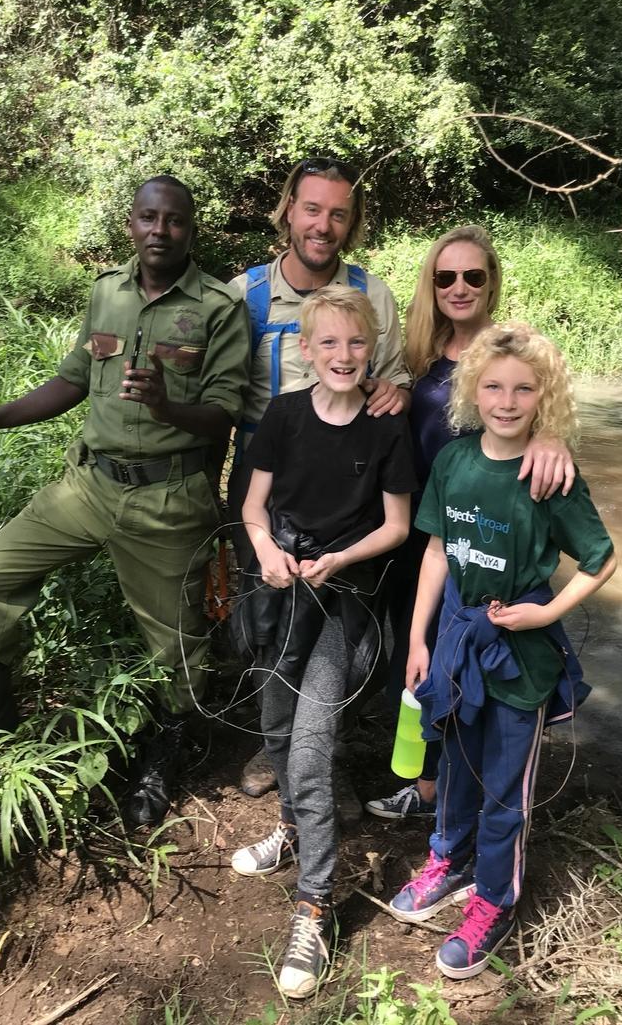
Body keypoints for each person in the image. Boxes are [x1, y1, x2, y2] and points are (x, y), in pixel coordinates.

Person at [0, 176, 251, 827]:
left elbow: (222, 415)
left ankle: (166, 751)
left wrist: (166, 403)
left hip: (169, 500)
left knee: (182, 658)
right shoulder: (106, 291)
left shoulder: (218, 307)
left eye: (173, 220)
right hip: (88, 485)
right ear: (130, 223)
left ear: (190, 230)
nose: (158, 230)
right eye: (147, 217)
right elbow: (72, 379)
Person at [388, 322, 616, 980]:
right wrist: (416, 637)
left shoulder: (550, 474)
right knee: (456, 764)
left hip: (519, 658)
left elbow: (600, 558)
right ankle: (448, 859)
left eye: (524, 389)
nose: (507, 400)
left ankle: (494, 898)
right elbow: (435, 549)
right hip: (456, 640)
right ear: (471, 389)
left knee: (503, 789)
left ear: (543, 398)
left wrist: (546, 610)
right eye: (492, 385)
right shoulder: (455, 463)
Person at [229, 286, 416, 998]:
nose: (343, 355)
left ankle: (313, 901)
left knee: (310, 736)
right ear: (304, 349)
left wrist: (339, 559)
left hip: (349, 595)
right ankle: (290, 827)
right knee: (275, 723)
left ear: (373, 348)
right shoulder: (282, 414)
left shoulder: (385, 427)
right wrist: (266, 547)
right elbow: (252, 507)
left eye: (356, 343)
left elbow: (397, 525)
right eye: (328, 343)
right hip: (283, 589)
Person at [366, 225, 574, 822]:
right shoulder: (417, 354)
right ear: (431, 285)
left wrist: (554, 436)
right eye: (445, 277)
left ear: (491, 283)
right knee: (415, 657)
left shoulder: (512, 350)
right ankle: (427, 786)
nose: (459, 288)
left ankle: (472, 792)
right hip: (417, 534)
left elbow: (546, 398)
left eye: (473, 276)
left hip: (484, 542)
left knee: (476, 669)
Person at [229, 156, 411, 800]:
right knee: (265, 617)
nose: (323, 225)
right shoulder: (245, 295)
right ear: (288, 210)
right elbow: (216, 396)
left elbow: (399, 380)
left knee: (346, 622)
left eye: (338, 214)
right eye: (312, 209)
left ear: (351, 223)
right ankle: (275, 744)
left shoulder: (374, 295)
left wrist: (394, 389)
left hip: (349, 485)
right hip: (263, 482)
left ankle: (324, 740)